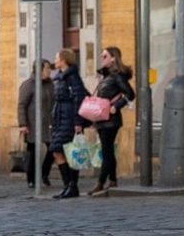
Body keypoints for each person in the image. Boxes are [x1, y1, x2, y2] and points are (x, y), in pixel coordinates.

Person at [88, 45, 137, 197]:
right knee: (108, 151)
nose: (101, 58)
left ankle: (100, 182)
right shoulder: (106, 76)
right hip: (102, 119)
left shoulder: (117, 76)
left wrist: (116, 106)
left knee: (107, 152)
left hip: (111, 120)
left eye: (104, 56)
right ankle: (113, 180)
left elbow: (130, 94)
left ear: (113, 58)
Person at [47, 47, 91, 198]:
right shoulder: (59, 76)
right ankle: (69, 185)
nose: (54, 60)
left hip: (70, 119)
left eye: (56, 58)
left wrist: (78, 122)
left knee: (67, 151)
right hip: (60, 118)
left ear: (64, 60)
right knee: (58, 150)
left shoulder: (73, 77)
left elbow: (79, 99)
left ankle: (72, 186)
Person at [16, 58, 55, 189]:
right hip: (32, 123)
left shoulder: (51, 84)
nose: (49, 71)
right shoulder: (29, 85)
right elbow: (22, 105)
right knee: (32, 152)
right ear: (39, 70)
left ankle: (44, 174)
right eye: (47, 68)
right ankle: (31, 179)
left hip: (49, 122)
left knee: (54, 148)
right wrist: (22, 123)